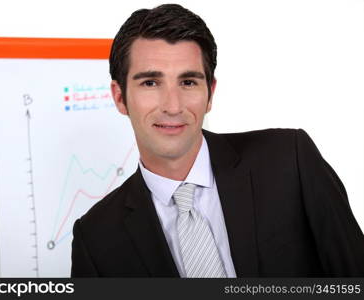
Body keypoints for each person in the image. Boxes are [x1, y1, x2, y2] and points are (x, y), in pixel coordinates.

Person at [71, 4, 364, 277]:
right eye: (150, 82)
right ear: (120, 97)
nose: (173, 106)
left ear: (210, 92)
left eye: (188, 82)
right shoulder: (95, 237)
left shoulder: (290, 162)